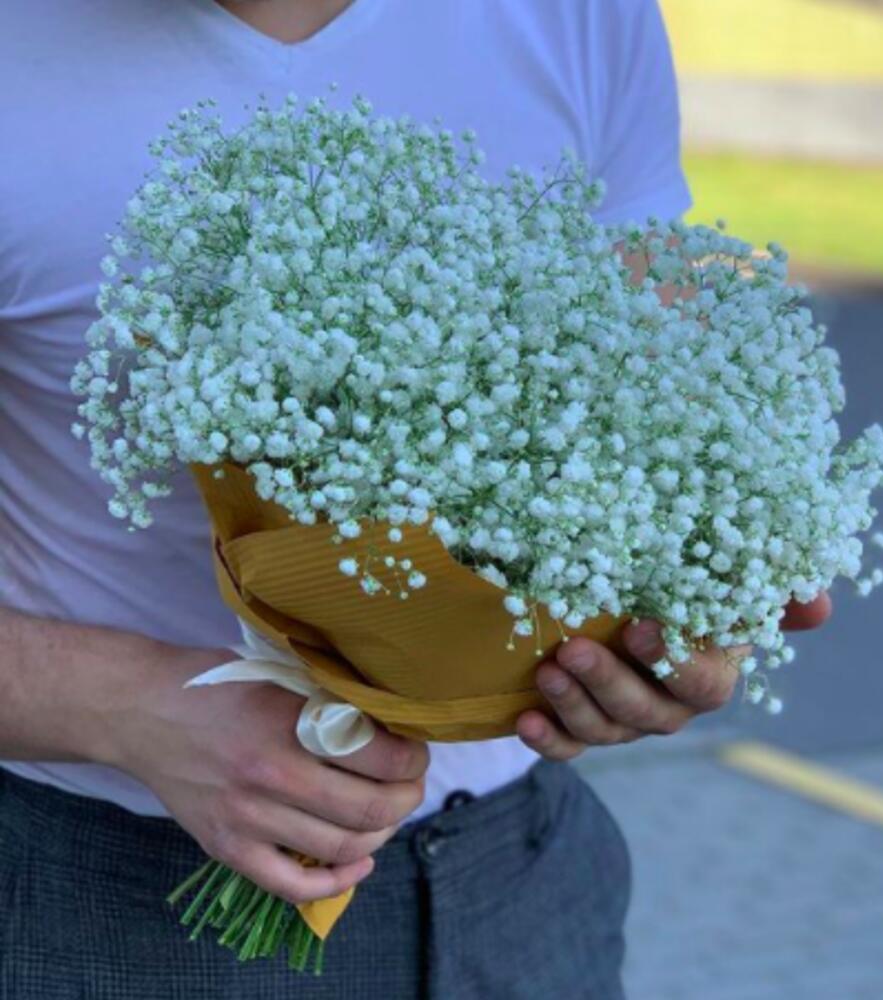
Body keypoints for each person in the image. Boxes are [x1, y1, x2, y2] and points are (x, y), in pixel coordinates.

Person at [0, 1, 832, 997]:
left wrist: (675, 621)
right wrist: (128, 706)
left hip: (522, 880)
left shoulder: (580, 14)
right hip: (100, 891)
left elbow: (655, 368)